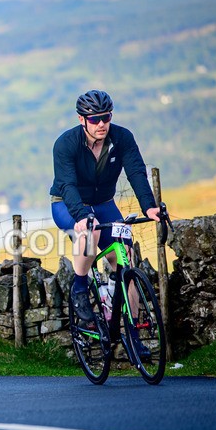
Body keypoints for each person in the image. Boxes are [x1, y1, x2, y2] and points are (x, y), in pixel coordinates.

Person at [49, 90, 160, 336]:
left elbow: (136, 172)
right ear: (81, 120)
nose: (101, 124)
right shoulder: (66, 144)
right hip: (67, 204)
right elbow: (67, 185)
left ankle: (132, 335)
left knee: (126, 261)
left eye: (106, 117)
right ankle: (79, 288)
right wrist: (81, 216)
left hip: (104, 202)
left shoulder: (122, 138)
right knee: (91, 234)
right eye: (94, 119)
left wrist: (149, 206)